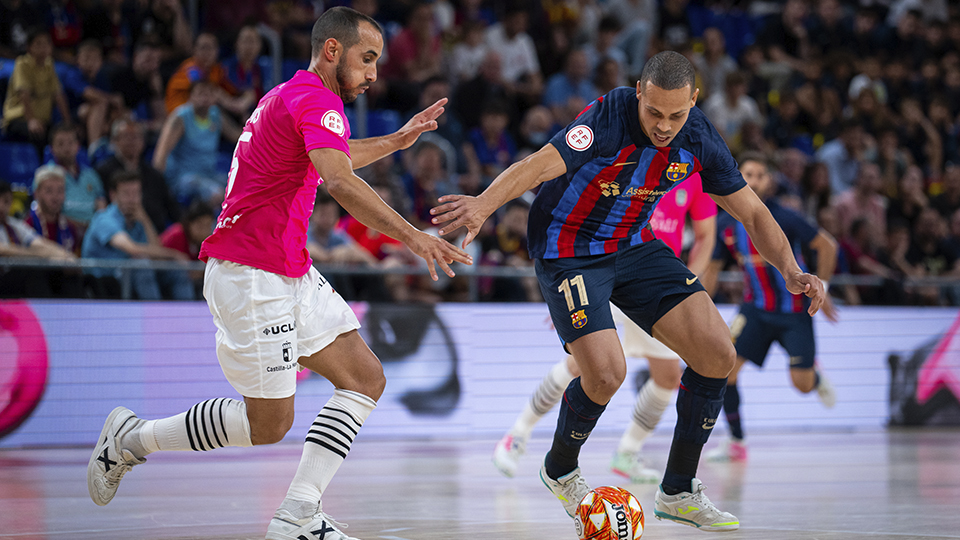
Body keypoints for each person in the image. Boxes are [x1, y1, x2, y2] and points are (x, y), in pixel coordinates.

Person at [85, 8, 471, 540]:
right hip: (250, 274)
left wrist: (396, 141)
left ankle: (298, 514)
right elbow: (337, 180)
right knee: (269, 425)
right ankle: (133, 439)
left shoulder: (290, 95)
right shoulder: (317, 97)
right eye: (367, 59)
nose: (374, 74)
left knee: (365, 377)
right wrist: (414, 238)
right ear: (332, 51)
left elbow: (329, 155)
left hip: (288, 270)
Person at [431, 51, 825, 531]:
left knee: (719, 354)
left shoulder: (699, 135)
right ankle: (559, 470)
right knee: (605, 374)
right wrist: (483, 205)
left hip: (634, 244)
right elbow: (537, 166)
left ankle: (678, 489)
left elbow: (754, 212)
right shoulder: (607, 117)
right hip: (567, 245)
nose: (664, 126)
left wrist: (790, 268)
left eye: (676, 115)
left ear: (693, 102)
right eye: (654, 112)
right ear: (639, 92)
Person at [492, 172, 717, 482]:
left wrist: (683, 285)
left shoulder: (692, 173)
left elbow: (706, 236)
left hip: (655, 283)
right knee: (581, 366)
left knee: (667, 377)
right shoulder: (630, 157)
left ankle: (627, 452)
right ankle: (517, 435)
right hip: (607, 271)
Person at [702, 152, 839, 462]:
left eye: (760, 175)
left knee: (801, 385)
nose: (753, 180)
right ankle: (737, 442)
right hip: (754, 311)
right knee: (726, 372)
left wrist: (824, 289)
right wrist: (700, 307)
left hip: (795, 313)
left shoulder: (785, 217)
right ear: (738, 176)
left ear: (769, 182)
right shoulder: (725, 223)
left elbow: (826, 246)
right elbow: (711, 269)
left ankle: (815, 378)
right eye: (747, 173)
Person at [80, 171, 191, 300]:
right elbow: (132, 249)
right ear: (113, 195)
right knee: (141, 265)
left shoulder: (138, 220)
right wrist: (174, 254)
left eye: (136, 193)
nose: (132, 199)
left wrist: (145, 220)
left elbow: (156, 252)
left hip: (128, 277)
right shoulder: (104, 219)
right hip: (103, 280)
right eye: (126, 194)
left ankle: (188, 316)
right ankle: (153, 315)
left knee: (176, 271)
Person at [0, 178, 79, 297]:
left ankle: (74, 313)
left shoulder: (14, 225)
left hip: (13, 279)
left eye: (6, 202)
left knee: (64, 274)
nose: (1, 207)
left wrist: (65, 256)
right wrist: (41, 256)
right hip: (4, 280)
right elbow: (4, 251)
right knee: (32, 272)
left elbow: (40, 243)